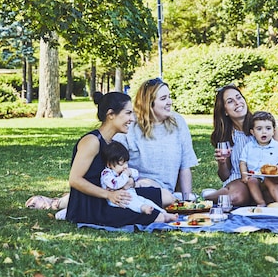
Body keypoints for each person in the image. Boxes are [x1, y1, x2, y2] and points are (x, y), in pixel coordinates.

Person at [65, 91, 177, 226]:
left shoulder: (111, 143)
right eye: (128, 113)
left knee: (166, 197)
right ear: (111, 114)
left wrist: (129, 182)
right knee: (156, 216)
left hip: (113, 196)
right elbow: (75, 180)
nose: (132, 119)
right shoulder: (92, 141)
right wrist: (109, 195)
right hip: (92, 207)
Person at [205, 85, 278, 206]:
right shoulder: (225, 135)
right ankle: (210, 195)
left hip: (267, 180)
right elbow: (224, 176)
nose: (237, 103)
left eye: (239, 97)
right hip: (240, 180)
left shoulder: (264, 125)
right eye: (230, 101)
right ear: (224, 111)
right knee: (237, 197)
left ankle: (256, 199)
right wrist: (222, 162)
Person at [113, 77, 198, 198]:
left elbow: (185, 166)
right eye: (163, 98)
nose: (169, 102)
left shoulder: (178, 122)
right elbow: (113, 164)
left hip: (168, 195)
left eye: (169, 97)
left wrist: (188, 201)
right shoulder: (130, 126)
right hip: (137, 191)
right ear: (148, 103)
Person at [238, 111, 278, 206]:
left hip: (271, 177)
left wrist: (277, 168)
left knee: (269, 180)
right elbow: (243, 162)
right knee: (251, 181)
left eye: (268, 128)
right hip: (255, 176)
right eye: (259, 129)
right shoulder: (249, 146)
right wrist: (244, 176)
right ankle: (261, 202)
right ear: (252, 132)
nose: (264, 132)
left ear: (274, 131)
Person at [100, 140, 169, 216]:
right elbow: (116, 184)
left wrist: (130, 173)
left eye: (126, 163)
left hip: (131, 195)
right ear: (109, 164)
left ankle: (162, 212)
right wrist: (126, 175)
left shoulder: (122, 171)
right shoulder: (107, 174)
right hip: (120, 200)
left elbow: (136, 174)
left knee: (145, 201)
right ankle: (144, 209)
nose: (125, 166)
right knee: (135, 204)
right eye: (121, 164)